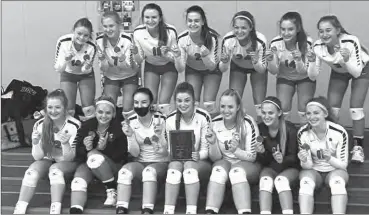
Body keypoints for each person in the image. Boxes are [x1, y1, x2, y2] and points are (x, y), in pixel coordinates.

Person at [307, 15, 369, 163]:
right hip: (339, 71)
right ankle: (333, 144)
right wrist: (310, 63)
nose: (324, 35)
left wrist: (346, 59)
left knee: (356, 109)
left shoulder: (350, 41)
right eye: (321, 31)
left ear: (338, 31)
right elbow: (313, 76)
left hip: (361, 69)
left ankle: (358, 147)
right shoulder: (317, 46)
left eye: (328, 30)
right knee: (332, 109)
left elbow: (356, 72)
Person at [13, 89, 81, 214]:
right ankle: (19, 208)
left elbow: (70, 158)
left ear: (65, 108)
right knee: (31, 173)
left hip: (67, 161)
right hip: (48, 158)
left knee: (55, 171)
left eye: (57, 107)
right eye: (50, 107)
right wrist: (35, 143)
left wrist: (65, 144)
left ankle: (55, 209)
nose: (53, 111)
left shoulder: (74, 125)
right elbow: (37, 157)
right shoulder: (39, 124)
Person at [205, 89, 261, 214]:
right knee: (217, 171)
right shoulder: (214, 123)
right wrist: (213, 142)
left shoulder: (247, 122)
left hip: (247, 164)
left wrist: (236, 151)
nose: (226, 110)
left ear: (238, 107)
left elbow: (252, 156)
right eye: (223, 106)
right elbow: (215, 159)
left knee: (236, 172)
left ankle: (245, 212)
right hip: (224, 162)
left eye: (230, 106)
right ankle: (210, 211)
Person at [69, 95, 128, 214]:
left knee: (94, 157)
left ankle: (112, 189)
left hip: (112, 167)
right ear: (95, 112)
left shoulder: (119, 128)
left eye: (108, 113)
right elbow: (78, 154)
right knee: (78, 182)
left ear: (114, 114)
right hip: (89, 163)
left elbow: (122, 156)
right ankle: (76, 209)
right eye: (100, 112)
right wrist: (87, 148)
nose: (104, 116)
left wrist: (104, 149)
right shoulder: (86, 126)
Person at [116, 87, 169, 214]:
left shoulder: (162, 119)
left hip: (161, 162)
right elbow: (135, 153)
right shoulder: (131, 121)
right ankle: (121, 208)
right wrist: (130, 136)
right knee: (124, 172)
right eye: (136, 102)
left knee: (149, 172)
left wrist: (160, 136)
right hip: (140, 162)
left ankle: (147, 209)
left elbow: (167, 151)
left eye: (144, 102)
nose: (139, 106)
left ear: (151, 103)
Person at [163, 82, 211, 214]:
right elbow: (168, 149)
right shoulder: (170, 120)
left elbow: (206, 150)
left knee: (189, 166)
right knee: (174, 167)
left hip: (200, 162)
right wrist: (174, 155)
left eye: (187, 100)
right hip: (177, 160)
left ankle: (191, 211)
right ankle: (168, 210)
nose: (183, 104)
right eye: (179, 101)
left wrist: (198, 156)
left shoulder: (203, 116)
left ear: (194, 101)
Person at [297, 96, 349, 214]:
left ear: (325, 113)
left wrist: (329, 159)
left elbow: (343, 165)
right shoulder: (303, 133)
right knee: (306, 183)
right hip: (314, 170)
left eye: (316, 113)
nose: (312, 117)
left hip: (335, 169)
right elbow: (307, 166)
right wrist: (304, 160)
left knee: (338, 184)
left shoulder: (339, 132)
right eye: (308, 113)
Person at [266, 12, 315, 124]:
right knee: (283, 108)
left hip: (305, 77)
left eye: (290, 29)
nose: (286, 33)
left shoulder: (307, 42)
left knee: (304, 109)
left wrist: (298, 60)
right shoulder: (275, 43)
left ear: (298, 29)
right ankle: (285, 137)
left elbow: (305, 71)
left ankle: (305, 137)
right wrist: (270, 60)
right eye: (283, 29)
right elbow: (274, 72)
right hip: (285, 77)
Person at [219, 11, 268, 119]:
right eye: (236, 27)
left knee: (260, 103)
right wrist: (225, 61)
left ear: (251, 28)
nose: (239, 31)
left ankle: (261, 129)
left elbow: (262, 70)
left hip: (257, 69)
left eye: (244, 28)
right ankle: (235, 127)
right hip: (238, 67)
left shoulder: (260, 41)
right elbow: (222, 69)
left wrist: (255, 61)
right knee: (234, 99)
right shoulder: (228, 40)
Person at [133, 3, 179, 115]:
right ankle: (152, 129)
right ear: (143, 18)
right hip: (151, 66)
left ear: (160, 18)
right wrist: (135, 53)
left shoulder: (170, 31)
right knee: (151, 103)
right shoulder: (138, 32)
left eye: (154, 17)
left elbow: (177, 59)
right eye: (147, 17)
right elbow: (139, 61)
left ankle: (165, 130)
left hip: (169, 66)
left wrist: (166, 54)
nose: (150, 20)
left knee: (164, 104)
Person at [257, 96, 300, 214]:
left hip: (290, 168)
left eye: (270, 113)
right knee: (265, 181)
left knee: (281, 181)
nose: (266, 116)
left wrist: (283, 160)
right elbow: (264, 161)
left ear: (279, 113)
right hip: (271, 167)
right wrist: (261, 153)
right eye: (263, 112)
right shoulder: (260, 128)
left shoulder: (290, 129)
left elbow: (295, 158)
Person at [174, 5, 221, 114]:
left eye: (196, 21)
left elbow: (212, 66)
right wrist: (177, 56)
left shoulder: (212, 38)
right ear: (186, 22)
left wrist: (204, 56)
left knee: (209, 105)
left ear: (203, 22)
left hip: (212, 71)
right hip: (193, 70)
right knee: (192, 103)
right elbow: (180, 69)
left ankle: (211, 129)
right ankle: (194, 129)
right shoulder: (182, 39)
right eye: (190, 21)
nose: (193, 24)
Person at [96, 11, 141, 118]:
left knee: (127, 110)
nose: (108, 29)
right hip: (111, 77)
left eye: (111, 26)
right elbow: (104, 68)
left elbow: (130, 66)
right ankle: (113, 133)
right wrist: (102, 60)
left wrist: (122, 59)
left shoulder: (128, 39)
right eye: (105, 26)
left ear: (119, 25)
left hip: (129, 75)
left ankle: (128, 133)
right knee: (108, 107)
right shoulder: (99, 41)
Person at [54, 18, 97, 121]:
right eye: (79, 33)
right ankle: (70, 133)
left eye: (86, 35)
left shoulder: (92, 46)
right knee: (69, 109)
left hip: (86, 75)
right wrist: (66, 59)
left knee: (89, 109)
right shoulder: (63, 42)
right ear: (74, 30)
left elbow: (85, 70)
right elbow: (58, 68)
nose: (81, 38)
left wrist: (87, 66)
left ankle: (91, 133)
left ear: (90, 35)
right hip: (68, 74)